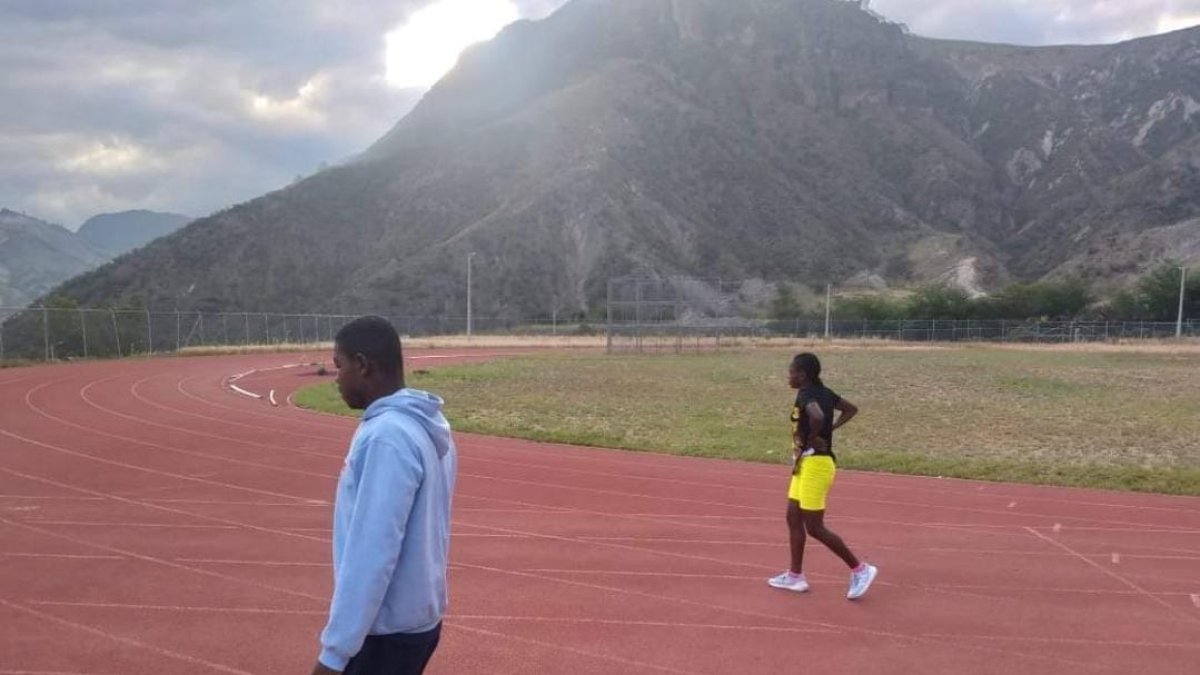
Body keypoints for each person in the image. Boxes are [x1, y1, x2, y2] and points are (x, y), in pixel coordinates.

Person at [310, 316, 457, 674]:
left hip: (384, 634)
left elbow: (373, 551)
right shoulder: (427, 427)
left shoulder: (386, 437)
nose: (337, 379)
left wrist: (334, 653)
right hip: (416, 621)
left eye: (339, 366)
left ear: (362, 365)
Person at [767, 352, 877, 600]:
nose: (789, 376)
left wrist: (812, 438)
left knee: (814, 527)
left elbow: (816, 416)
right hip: (806, 463)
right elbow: (850, 409)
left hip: (816, 465)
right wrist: (830, 430)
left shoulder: (807, 395)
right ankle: (795, 577)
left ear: (803, 374)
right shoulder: (825, 393)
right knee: (793, 516)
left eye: (792, 372)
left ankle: (860, 569)